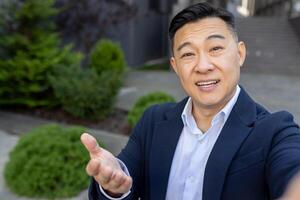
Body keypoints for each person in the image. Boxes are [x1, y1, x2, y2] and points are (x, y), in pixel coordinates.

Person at [81, 2, 300, 200]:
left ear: (240, 54)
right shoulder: (153, 121)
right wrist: (112, 188)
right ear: (175, 66)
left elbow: (292, 167)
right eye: (188, 54)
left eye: (215, 49)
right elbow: (122, 177)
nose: (203, 66)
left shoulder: (276, 131)